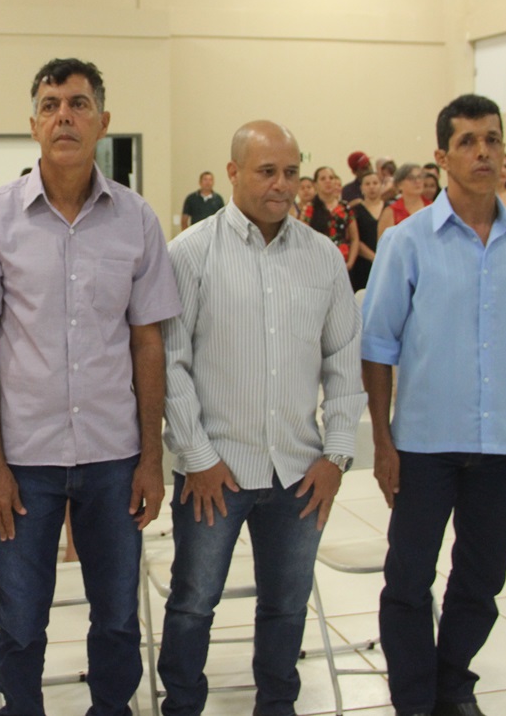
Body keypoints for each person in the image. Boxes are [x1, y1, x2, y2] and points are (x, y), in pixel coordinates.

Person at [0, 57, 181, 715]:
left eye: (79, 104)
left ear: (103, 122)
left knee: (117, 616)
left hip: (113, 454)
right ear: (33, 125)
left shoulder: (136, 219)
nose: (64, 117)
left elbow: (148, 343)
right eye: (50, 106)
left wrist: (151, 457)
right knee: (22, 621)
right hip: (24, 458)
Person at [362, 93, 506, 716]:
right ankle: (414, 700)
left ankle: (452, 686)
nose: (483, 152)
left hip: (502, 444)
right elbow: (377, 347)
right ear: (442, 156)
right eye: (468, 141)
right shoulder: (408, 241)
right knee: (408, 582)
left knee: (481, 581)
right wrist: (383, 441)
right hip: (425, 446)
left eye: (492, 139)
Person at [159, 120, 366, 716]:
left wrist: (336, 456)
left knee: (287, 604)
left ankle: (277, 704)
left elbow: (343, 361)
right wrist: (197, 457)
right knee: (194, 602)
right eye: (267, 171)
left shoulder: (322, 257)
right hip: (214, 473)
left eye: (291, 172)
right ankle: (183, 705)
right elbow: (171, 363)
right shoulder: (191, 252)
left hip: (300, 471)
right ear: (232, 173)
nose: (282, 185)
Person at [301, 166, 359, 271]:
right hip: (318, 263)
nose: (327, 181)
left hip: (343, 262)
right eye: (323, 179)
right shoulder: (310, 209)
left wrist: (350, 263)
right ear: (315, 184)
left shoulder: (345, 207)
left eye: (331, 178)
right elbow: (303, 238)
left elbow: (354, 238)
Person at [351, 170, 385, 292]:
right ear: (361, 188)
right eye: (367, 184)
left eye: (375, 183)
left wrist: (382, 258)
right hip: (363, 264)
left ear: (381, 186)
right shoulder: (354, 210)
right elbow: (354, 238)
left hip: (386, 261)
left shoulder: (390, 208)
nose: (372, 187)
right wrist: (374, 257)